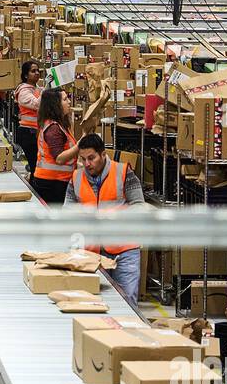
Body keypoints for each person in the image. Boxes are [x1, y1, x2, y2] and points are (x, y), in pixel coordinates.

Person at [66, 133, 145, 302]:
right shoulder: (76, 178)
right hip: (90, 253)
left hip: (124, 251)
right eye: (83, 159)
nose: (87, 164)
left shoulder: (124, 173)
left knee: (127, 300)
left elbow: (139, 207)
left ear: (103, 154)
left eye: (91, 158)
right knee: (92, 303)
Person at [32, 88, 77, 206]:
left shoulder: (59, 125)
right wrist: (81, 145)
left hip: (57, 181)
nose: (69, 102)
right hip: (51, 184)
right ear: (55, 104)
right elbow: (59, 158)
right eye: (65, 99)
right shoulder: (53, 129)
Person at [15, 60, 42, 177]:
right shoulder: (23, 91)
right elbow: (37, 104)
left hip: (36, 132)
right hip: (28, 133)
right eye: (33, 71)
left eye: (38, 71)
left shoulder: (36, 89)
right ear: (26, 75)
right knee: (34, 165)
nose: (37, 73)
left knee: (37, 165)